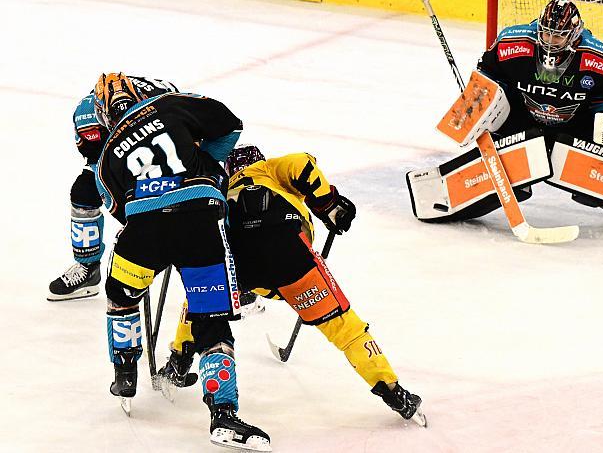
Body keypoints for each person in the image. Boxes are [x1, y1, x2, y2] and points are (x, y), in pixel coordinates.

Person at [158, 144, 426, 426]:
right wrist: (328, 204)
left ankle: (179, 360)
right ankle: (394, 392)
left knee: (202, 301)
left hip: (238, 259)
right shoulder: (268, 169)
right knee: (344, 326)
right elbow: (302, 164)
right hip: (289, 254)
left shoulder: (220, 191)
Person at [409, 0, 603, 231]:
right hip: (520, 120)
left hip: (574, 127)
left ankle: (599, 183)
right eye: (546, 32)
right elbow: (488, 75)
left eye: (558, 35)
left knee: (588, 177)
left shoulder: (598, 58)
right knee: (516, 176)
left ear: (574, 34)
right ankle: (511, 181)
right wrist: (477, 102)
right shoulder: (514, 43)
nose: (550, 39)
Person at [94, 73, 270, 451]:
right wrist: (205, 165)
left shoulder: (107, 153)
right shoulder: (170, 105)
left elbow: (117, 208)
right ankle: (224, 415)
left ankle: (124, 371)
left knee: (121, 295)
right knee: (210, 320)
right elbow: (230, 124)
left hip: (143, 230)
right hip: (199, 223)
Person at [48, 76, 178, 301]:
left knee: (195, 204)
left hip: (159, 153)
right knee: (83, 192)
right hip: (116, 159)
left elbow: (187, 137)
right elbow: (99, 166)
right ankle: (87, 267)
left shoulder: (161, 98)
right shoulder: (86, 117)